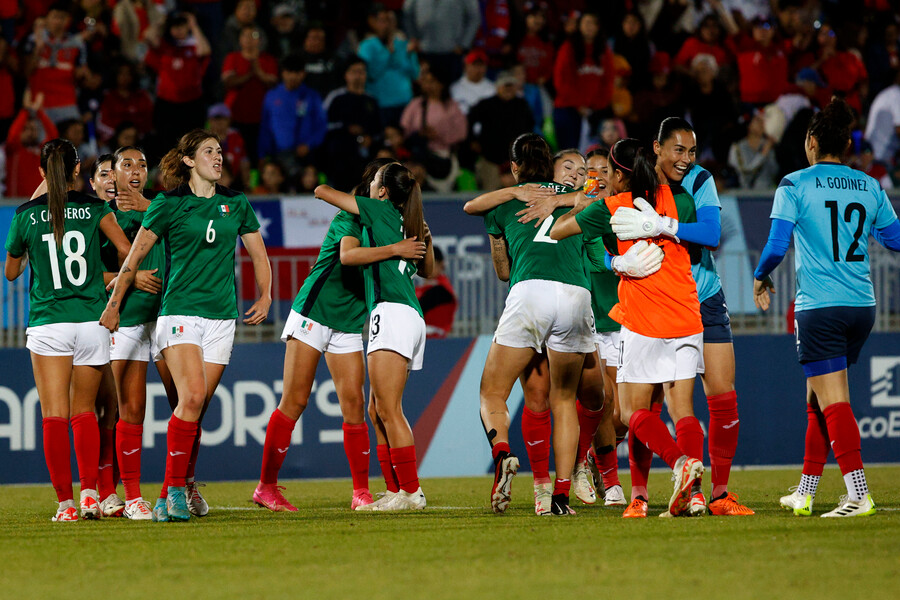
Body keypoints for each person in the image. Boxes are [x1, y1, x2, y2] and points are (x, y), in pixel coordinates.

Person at [101, 129, 272, 522]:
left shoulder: (236, 203)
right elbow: (135, 258)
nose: (219, 157)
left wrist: (264, 295)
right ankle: (176, 490)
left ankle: (169, 492)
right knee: (191, 397)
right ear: (191, 160)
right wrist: (113, 305)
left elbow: (258, 254)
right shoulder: (168, 204)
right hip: (179, 313)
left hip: (222, 319)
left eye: (220, 151)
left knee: (196, 406)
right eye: (210, 151)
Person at [753, 98, 900, 517]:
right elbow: (895, 239)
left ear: (812, 142)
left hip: (820, 307)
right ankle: (806, 490)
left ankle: (858, 493)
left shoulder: (795, 183)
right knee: (818, 398)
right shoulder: (870, 185)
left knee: (834, 400)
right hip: (862, 306)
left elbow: (778, 245)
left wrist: (761, 277)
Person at [253, 158, 422, 512]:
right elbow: (347, 256)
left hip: (349, 322)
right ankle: (266, 486)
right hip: (314, 313)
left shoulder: (392, 224)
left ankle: (361, 491)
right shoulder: (353, 218)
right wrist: (396, 249)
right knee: (295, 400)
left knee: (356, 406)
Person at [549, 138, 705, 518]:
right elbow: (704, 241)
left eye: (608, 172)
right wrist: (665, 229)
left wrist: (614, 258)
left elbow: (558, 231)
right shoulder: (680, 198)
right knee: (681, 408)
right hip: (687, 312)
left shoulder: (614, 206)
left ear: (619, 174)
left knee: (631, 412)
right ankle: (695, 495)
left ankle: (679, 465)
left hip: (644, 316)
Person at [467, 133, 596, 516]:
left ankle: (503, 452)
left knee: (492, 393)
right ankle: (559, 496)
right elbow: (598, 203)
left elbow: (504, 270)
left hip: (531, 292)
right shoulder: (578, 195)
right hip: (575, 293)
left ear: (514, 166)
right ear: (552, 163)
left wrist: (509, 201)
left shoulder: (504, 202)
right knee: (563, 400)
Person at [5, 139, 130, 521]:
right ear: (78, 170)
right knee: (84, 413)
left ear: (42, 173)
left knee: (54, 414)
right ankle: (91, 494)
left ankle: (66, 504)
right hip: (91, 321)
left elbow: (10, 272)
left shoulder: (26, 215)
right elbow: (128, 250)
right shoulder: (94, 208)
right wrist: (111, 293)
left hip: (49, 323)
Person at [314, 162, 434, 511]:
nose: (371, 182)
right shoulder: (406, 221)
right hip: (409, 314)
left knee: (388, 409)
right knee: (376, 410)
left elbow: (322, 191)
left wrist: (362, 198)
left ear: (383, 191)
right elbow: (429, 270)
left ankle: (410, 493)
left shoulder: (378, 209)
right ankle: (397, 489)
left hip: (392, 313)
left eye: (377, 179)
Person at [651, 117, 754, 516]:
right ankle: (684, 487)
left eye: (691, 151)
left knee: (723, 396)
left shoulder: (700, 180)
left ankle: (720, 494)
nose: (686, 159)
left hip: (705, 296)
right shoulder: (640, 181)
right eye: (678, 150)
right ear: (657, 147)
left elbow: (711, 234)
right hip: (665, 302)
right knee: (675, 404)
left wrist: (663, 224)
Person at [101, 146, 178, 520]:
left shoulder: (164, 206)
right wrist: (127, 279)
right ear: (112, 174)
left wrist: (150, 207)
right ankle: (130, 496)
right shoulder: (104, 218)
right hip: (128, 320)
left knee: (185, 403)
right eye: (126, 164)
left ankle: (178, 488)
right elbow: (88, 275)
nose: (135, 170)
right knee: (128, 410)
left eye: (142, 165)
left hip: (166, 318)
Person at [258, 53, 327, 182]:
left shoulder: (312, 96)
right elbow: (265, 127)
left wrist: (308, 145)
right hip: (278, 155)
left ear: (303, 74)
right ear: (283, 73)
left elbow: (321, 126)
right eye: (289, 72)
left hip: (304, 156)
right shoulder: (272, 96)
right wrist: (262, 154)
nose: (293, 76)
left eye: (297, 72)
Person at [553, 13, 615, 150]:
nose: (589, 27)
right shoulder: (568, 47)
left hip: (595, 111)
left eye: (593, 23)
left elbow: (608, 81)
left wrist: (596, 106)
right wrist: (578, 105)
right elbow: (561, 80)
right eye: (586, 22)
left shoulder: (604, 50)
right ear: (579, 26)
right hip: (568, 107)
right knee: (569, 153)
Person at [357, 4, 419, 127]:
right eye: (383, 21)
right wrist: (387, 54)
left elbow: (415, 73)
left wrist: (408, 54)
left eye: (390, 21)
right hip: (380, 104)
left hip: (405, 102)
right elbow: (371, 74)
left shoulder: (403, 44)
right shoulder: (366, 47)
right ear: (372, 22)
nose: (387, 25)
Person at [415, 245, 457, 338]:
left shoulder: (441, 289)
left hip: (435, 339)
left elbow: (416, 310)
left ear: (441, 264)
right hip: (421, 338)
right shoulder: (420, 289)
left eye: (430, 263)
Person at [450, 49, 496, 115]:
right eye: (474, 64)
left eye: (481, 65)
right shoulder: (454, 88)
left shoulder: (494, 89)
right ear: (465, 67)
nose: (478, 69)